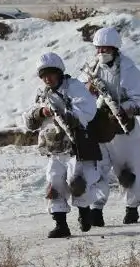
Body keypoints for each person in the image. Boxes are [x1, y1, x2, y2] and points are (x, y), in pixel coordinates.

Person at [22, 52, 103, 238]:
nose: (47, 79)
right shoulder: (42, 94)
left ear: (58, 72)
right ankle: (61, 225)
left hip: (75, 147)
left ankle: (84, 213)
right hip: (54, 149)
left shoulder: (74, 87)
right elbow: (28, 119)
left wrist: (65, 114)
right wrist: (40, 112)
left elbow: (87, 109)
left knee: (78, 183)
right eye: (43, 76)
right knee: (54, 185)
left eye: (50, 74)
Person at [80, 26, 140, 225]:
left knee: (127, 171)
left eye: (105, 48)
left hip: (122, 129)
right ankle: (96, 210)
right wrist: (87, 90)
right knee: (97, 171)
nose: (101, 52)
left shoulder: (129, 70)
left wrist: (123, 109)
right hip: (99, 128)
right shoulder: (92, 68)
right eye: (98, 48)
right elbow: (79, 96)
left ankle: (131, 208)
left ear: (115, 48)